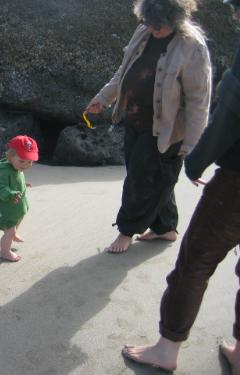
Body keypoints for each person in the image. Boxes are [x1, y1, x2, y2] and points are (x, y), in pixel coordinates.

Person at [121, 0, 240, 373]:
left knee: (195, 264)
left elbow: (223, 110)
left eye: (239, 5)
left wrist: (195, 155)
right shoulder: (143, 34)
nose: (235, 13)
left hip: (239, 181)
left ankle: (167, 348)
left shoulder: (195, 47)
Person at [86, 0, 212, 253]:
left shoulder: (192, 47)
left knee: (140, 180)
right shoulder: (144, 32)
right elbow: (123, 72)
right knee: (154, 176)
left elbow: (200, 101)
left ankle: (126, 230)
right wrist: (103, 98)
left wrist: (192, 147)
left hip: (165, 129)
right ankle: (165, 227)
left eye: (159, 25)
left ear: (175, 19)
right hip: (134, 119)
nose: (153, 28)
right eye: (148, 22)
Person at [0, 135, 38, 262]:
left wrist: (22, 184)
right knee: (8, 230)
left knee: (18, 218)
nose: (26, 165)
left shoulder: (15, 166)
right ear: (10, 157)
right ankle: (5, 252)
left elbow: (13, 180)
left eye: (30, 161)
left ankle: (13, 234)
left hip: (16, 204)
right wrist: (10, 194)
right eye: (22, 161)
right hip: (5, 206)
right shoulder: (4, 171)